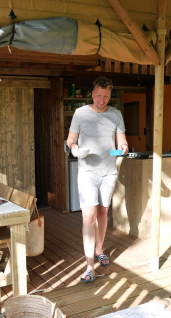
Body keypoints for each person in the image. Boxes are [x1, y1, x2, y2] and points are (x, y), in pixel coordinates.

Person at [66, 76, 129, 283]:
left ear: (110, 95)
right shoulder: (80, 114)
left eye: (106, 96)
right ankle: (89, 266)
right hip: (87, 172)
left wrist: (123, 148)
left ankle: (100, 250)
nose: (102, 99)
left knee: (103, 212)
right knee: (88, 217)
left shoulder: (116, 114)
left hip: (108, 172)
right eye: (99, 95)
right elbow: (71, 139)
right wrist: (74, 148)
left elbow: (122, 142)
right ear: (92, 94)